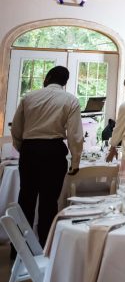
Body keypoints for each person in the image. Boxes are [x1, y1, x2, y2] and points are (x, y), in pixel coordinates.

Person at [11, 66, 83, 243]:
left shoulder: (29, 97)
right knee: (49, 202)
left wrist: (23, 148)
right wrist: (75, 161)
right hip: (53, 151)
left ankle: (20, 247)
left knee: (25, 198)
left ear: (48, 77)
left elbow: (16, 129)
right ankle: (46, 246)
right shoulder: (70, 100)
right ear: (65, 82)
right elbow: (75, 135)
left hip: (30, 150)